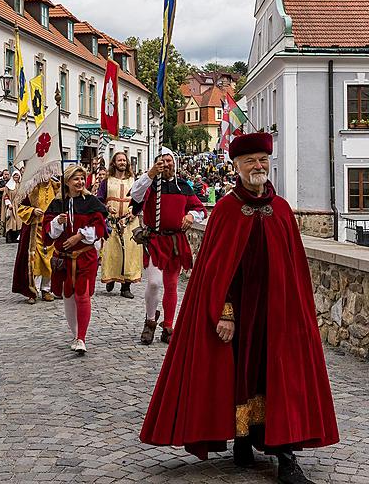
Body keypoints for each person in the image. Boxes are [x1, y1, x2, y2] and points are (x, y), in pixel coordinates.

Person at [140, 133, 339, 484]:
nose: (258, 166)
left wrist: (298, 316)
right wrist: (225, 312)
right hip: (238, 313)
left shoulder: (281, 211)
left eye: (262, 159)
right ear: (236, 166)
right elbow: (217, 270)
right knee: (237, 373)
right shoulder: (227, 210)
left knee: (278, 375)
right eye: (250, 161)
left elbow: (294, 270)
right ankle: (244, 437)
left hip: (276, 313)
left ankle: (286, 455)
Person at [131, 147, 207, 345]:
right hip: (155, 239)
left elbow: (200, 209)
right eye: (162, 160)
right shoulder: (150, 185)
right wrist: (150, 174)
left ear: (175, 162)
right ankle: (150, 321)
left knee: (172, 285)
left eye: (169, 160)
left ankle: (168, 325)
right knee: (154, 283)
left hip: (175, 241)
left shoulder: (183, 186)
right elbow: (136, 196)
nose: (167, 164)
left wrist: (191, 215)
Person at [42, 165, 107, 354]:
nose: (79, 182)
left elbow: (99, 225)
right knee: (68, 296)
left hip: (85, 256)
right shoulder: (57, 204)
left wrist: (79, 236)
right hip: (64, 258)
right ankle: (75, 333)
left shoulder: (91, 202)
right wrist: (57, 222)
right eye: (75, 179)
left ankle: (82, 338)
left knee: (82, 295)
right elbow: (48, 231)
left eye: (82, 179)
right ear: (67, 182)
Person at [97, 152, 142, 299]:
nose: (122, 162)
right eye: (119, 160)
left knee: (129, 253)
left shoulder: (134, 181)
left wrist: (134, 212)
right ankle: (111, 278)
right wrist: (107, 208)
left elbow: (141, 200)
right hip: (112, 221)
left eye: (124, 160)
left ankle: (126, 286)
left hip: (130, 222)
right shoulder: (107, 181)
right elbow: (99, 200)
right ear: (114, 163)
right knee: (112, 253)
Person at [12, 176, 60, 304]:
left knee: (50, 261)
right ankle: (32, 290)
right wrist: (32, 210)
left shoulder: (57, 187)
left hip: (51, 229)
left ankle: (46, 289)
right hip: (35, 230)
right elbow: (21, 207)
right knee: (34, 261)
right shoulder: (31, 188)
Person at [1, 170, 22, 243]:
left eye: (17, 175)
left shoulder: (21, 185)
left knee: (19, 222)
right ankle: (9, 238)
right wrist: (8, 203)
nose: (16, 176)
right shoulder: (8, 185)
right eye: (15, 175)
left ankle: (17, 238)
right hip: (11, 206)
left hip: (19, 206)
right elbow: (5, 195)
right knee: (10, 222)